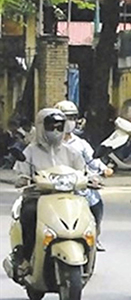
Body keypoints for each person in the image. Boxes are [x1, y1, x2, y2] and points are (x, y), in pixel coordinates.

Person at [13, 109, 86, 270]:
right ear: (40, 126)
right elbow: (20, 172)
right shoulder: (30, 152)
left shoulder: (71, 152)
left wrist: (92, 177)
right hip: (38, 197)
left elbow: (83, 171)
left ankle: (88, 249)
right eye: (50, 126)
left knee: (89, 213)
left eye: (59, 127)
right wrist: (23, 179)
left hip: (68, 198)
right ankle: (26, 257)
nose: (55, 130)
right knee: (29, 214)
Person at [54, 100, 114, 251]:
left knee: (96, 202)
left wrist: (104, 169)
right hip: (52, 187)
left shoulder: (81, 144)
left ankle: (95, 234)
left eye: (73, 117)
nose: (70, 122)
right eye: (66, 118)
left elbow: (93, 160)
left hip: (78, 187)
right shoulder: (48, 142)